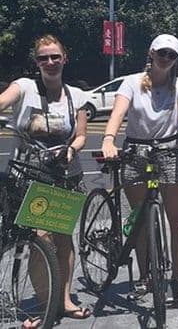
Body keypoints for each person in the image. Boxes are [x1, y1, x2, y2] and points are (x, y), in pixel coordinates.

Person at [101, 34, 178, 306]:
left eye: (172, 55)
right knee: (141, 218)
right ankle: (145, 276)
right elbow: (118, 114)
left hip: (170, 151)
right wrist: (109, 139)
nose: (166, 59)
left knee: (177, 218)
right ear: (151, 53)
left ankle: (176, 279)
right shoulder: (131, 83)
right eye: (162, 53)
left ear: (176, 59)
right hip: (136, 152)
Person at [0, 35, 91, 322]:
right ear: (36, 62)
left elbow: (82, 136)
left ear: (65, 58)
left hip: (65, 176)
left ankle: (63, 300)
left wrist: (71, 148)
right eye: (43, 58)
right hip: (29, 177)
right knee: (40, 238)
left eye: (55, 57)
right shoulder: (25, 87)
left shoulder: (75, 94)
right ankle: (44, 303)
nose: (50, 63)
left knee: (64, 239)